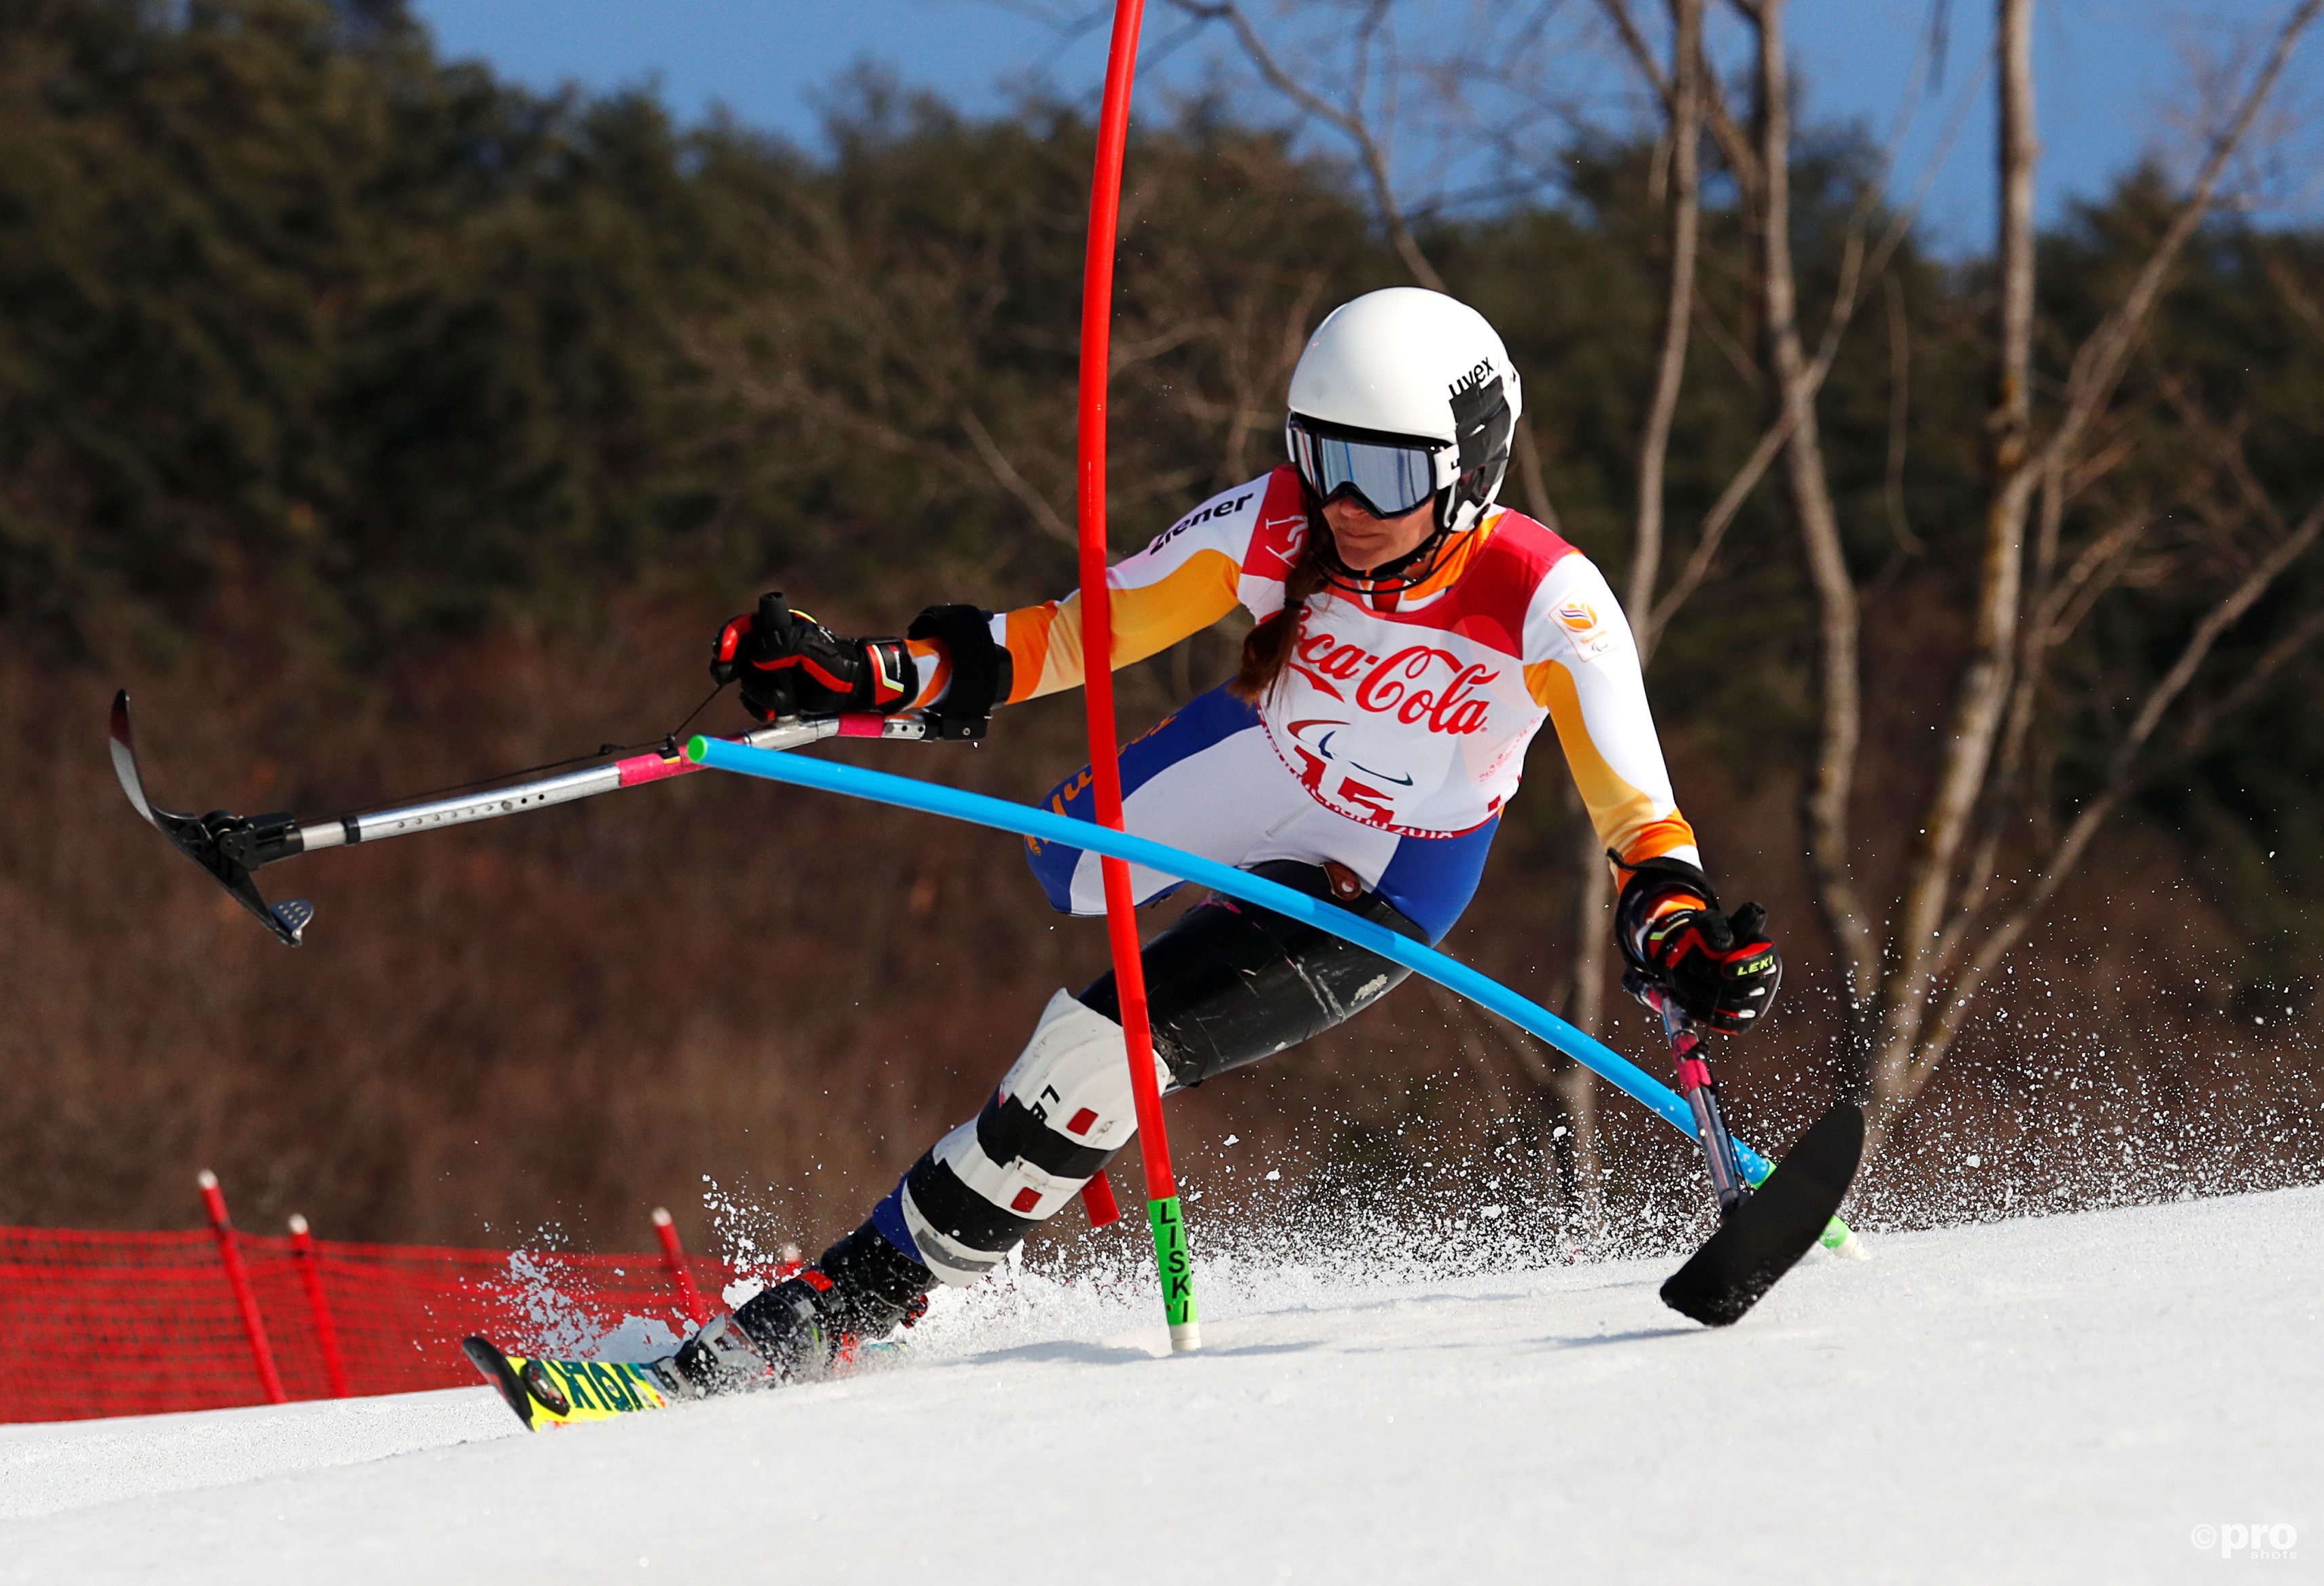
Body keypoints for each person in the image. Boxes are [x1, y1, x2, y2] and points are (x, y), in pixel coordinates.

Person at [669, 287, 1782, 1392]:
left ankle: (849, 1300)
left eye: (1386, 473)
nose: (1345, 503)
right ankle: (1064, 1140)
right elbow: (1066, 637)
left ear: (1470, 469)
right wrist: (873, 675)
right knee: (1065, 864)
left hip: (1384, 870)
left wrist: (1676, 924)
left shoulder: (1548, 601)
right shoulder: (1274, 523)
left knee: (1093, 1049)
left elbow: (1639, 817)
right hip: (1259, 759)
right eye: (1321, 455)